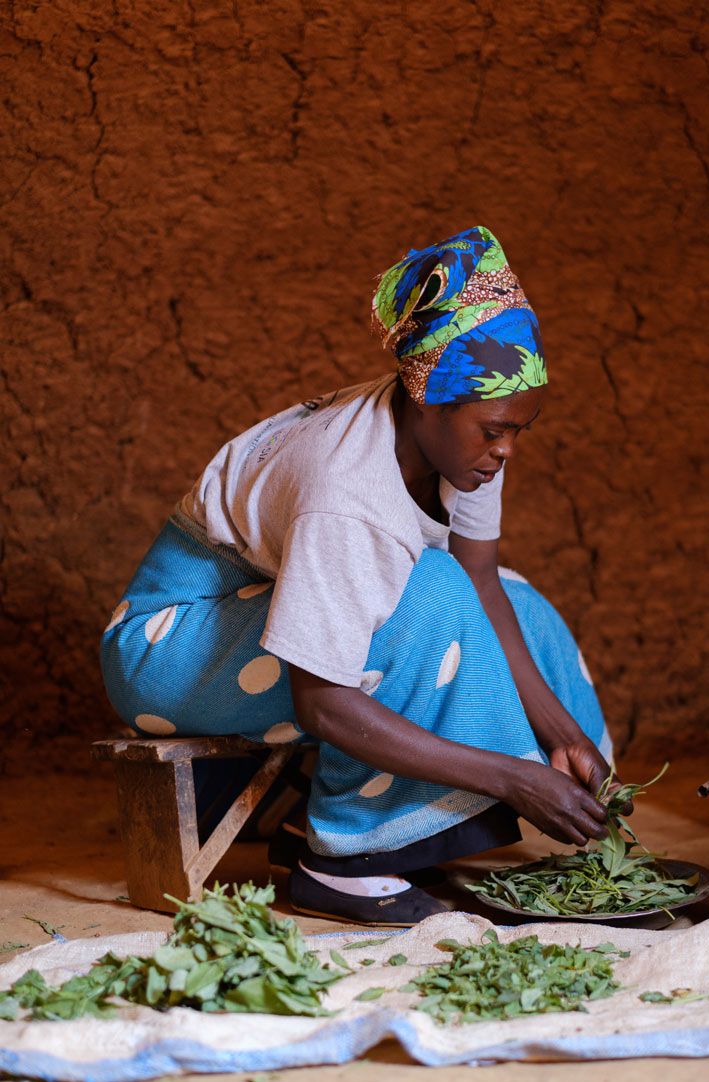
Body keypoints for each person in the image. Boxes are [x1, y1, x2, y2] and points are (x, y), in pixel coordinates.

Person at [101, 224, 616, 926]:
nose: (506, 452)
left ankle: (331, 819)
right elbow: (323, 702)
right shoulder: (348, 492)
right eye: (494, 430)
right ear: (428, 399)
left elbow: (484, 583)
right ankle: (343, 861)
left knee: (516, 603)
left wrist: (562, 735)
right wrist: (512, 777)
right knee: (423, 596)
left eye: (518, 431)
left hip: (255, 615)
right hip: (166, 644)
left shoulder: (463, 448)